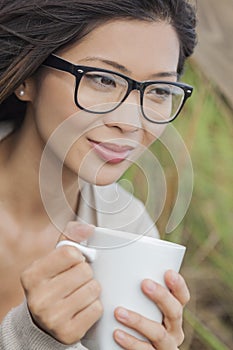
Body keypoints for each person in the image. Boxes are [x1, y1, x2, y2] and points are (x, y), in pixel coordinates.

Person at [0, 0, 197, 349]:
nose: (131, 122)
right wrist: (29, 335)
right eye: (103, 79)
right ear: (27, 77)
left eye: (160, 90)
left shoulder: (131, 230)